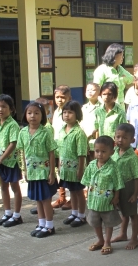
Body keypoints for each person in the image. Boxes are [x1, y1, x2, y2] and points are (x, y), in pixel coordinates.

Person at [18, 101, 58, 238]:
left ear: (42, 116)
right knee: (38, 199)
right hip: (32, 172)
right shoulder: (23, 132)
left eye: (36, 113)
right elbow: (23, 152)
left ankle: (50, 226)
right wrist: (24, 170)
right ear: (25, 115)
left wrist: (52, 172)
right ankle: (41, 224)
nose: (32, 116)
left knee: (45, 199)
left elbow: (51, 153)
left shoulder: (45, 132)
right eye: (29, 113)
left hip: (43, 172)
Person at [82, 136, 124, 255]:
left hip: (107, 202)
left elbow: (118, 184)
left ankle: (107, 242)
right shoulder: (91, 165)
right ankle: (100, 240)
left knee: (108, 223)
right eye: (97, 151)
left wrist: (116, 197)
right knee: (95, 222)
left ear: (111, 152)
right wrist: (87, 195)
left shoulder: (113, 167)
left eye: (103, 151)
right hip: (93, 201)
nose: (100, 154)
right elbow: (87, 181)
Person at [0, 94, 22, 228]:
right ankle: (7, 213)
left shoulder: (13, 125)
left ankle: (17, 215)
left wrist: (1, 159)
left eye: (4, 107)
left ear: (11, 109)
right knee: (3, 186)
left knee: (15, 187)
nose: (0, 109)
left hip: (10, 162)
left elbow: (13, 144)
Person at [110, 124, 138, 250]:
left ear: (132, 140)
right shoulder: (114, 152)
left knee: (132, 213)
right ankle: (123, 234)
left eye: (124, 138)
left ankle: (134, 238)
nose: (120, 140)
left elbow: (137, 176)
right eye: (118, 137)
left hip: (128, 187)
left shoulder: (132, 157)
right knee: (124, 212)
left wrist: (135, 193)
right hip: (117, 187)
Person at [57, 100, 88, 228]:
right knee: (71, 191)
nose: (67, 115)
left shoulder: (79, 133)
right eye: (64, 112)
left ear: (77, 114)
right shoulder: (62, 130)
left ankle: (81, 215)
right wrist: (59, 166)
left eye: (70, 112)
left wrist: (80, 170)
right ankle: (74, 213)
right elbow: (59, 150)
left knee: (79, 192)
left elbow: (82, 153)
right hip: (65, 169)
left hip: (76, 169)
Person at [51, 85, 71, 210]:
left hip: (67, 148)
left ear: (69, 98)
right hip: (57, 147)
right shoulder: (56, 111)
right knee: (60, 172)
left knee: (70, 173)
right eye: (57, 97)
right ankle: (62, 197)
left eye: (63, 97)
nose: (60, 100)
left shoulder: (71, 112)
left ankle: (73, 199)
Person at [82, 83, 101, 159]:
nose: (90, 92)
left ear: (99, 92)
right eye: (88, 90)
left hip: (96, 141)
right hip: (84, 141)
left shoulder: (101, 107)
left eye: (93, 90)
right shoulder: (84, 108)